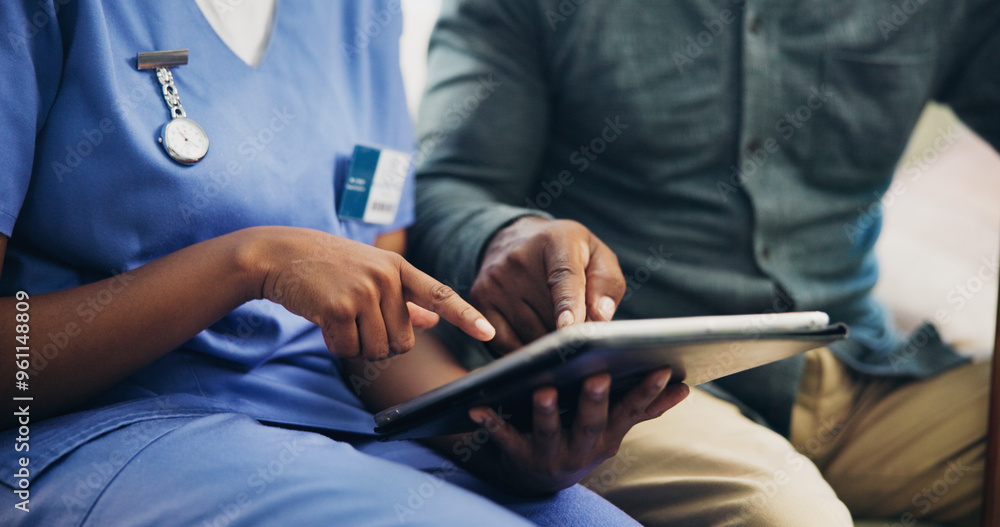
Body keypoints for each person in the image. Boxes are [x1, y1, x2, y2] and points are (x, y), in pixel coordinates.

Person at [0, 2, 689, 525]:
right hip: (100, 435)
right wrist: (250, 263)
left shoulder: (356, 14)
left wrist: (499, 441)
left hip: (338, 420)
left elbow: (382, 342)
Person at [408, 0, 999, 525]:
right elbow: (444, 188)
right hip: (631, 387)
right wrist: (505, 236)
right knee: (782, 514)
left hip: (854, 365)